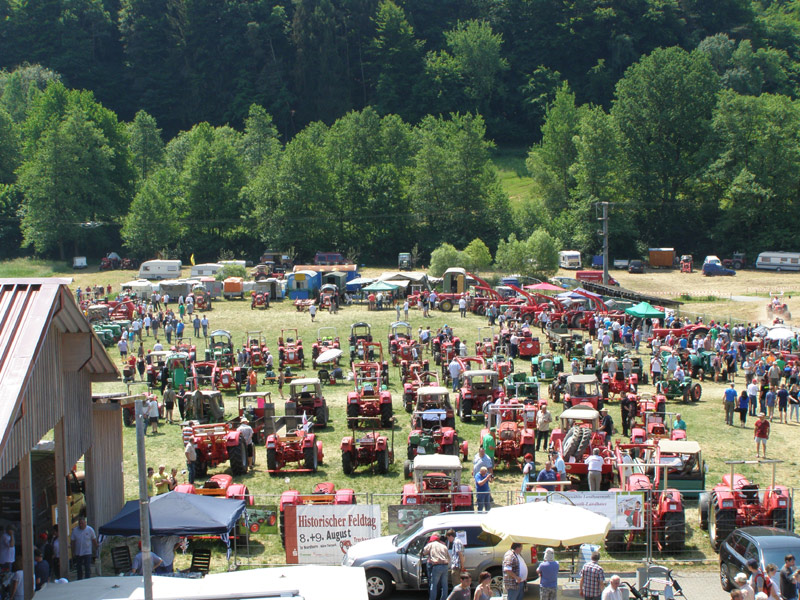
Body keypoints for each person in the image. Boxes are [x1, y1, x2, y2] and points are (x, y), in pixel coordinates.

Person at [422, 534, 450, 600]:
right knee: (444, 585)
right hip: (445, 566)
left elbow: (424, 552)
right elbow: (448, 557)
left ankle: (432, 598)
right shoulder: (443, 545)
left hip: (437, 566)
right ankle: (444, 598)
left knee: (433, 585)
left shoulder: (430, 544)